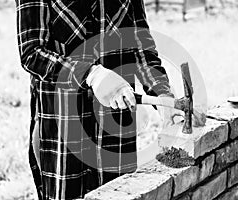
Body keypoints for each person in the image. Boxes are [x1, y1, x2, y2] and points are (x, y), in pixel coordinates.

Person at [15, 0, 183, 199]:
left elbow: (141, 46)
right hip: (62, 124)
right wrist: (91, 74)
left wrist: (162, 94)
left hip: (115, 126)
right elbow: (32, 53)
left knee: (120, 193)